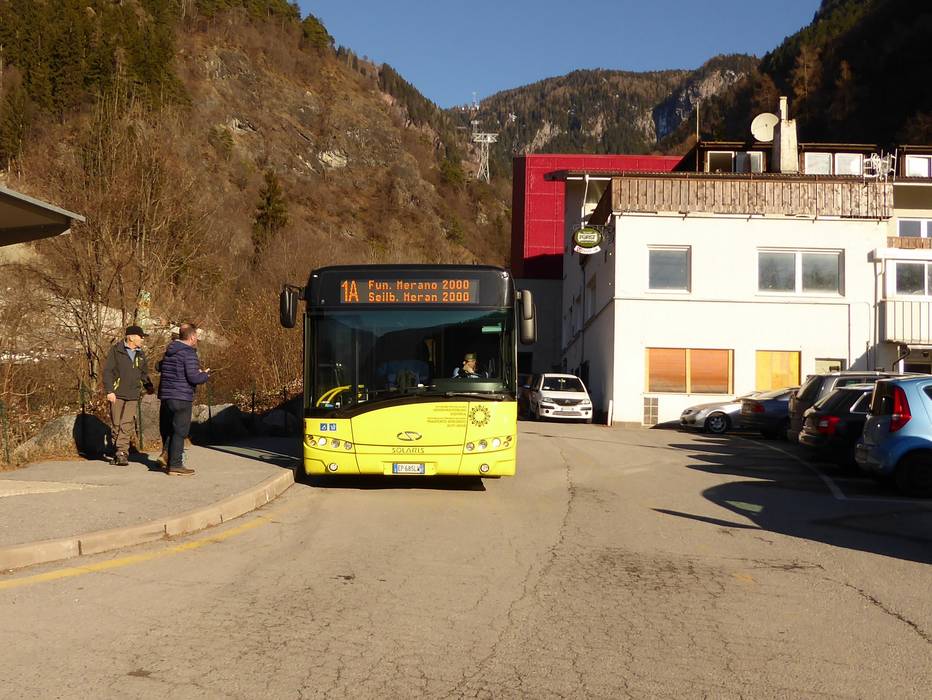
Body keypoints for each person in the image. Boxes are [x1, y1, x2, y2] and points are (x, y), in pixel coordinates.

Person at [156, 323, 210, 476]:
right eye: (196, 337)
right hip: (181, 396)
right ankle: (175, 465)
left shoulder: (169, 351)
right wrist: (205, 375)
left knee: (169, 429)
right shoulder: (188, 353)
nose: (197, 340)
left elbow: (157, 367)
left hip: (166, 396)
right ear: (192, 337)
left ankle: (166, 457)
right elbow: (193, 377)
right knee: (180, 431)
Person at [102, 325, 154, 466]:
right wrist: (109, 391)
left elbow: (143, 373)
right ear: (131, 337)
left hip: (133, 394)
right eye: (140, 337)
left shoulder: (140, 354)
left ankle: (122, 452)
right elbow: (108, 371)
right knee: (116, 424)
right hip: (117, 393)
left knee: (126, 423)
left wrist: (148, 385)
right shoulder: (116, 350)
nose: (142, 339)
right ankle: (118, 452)